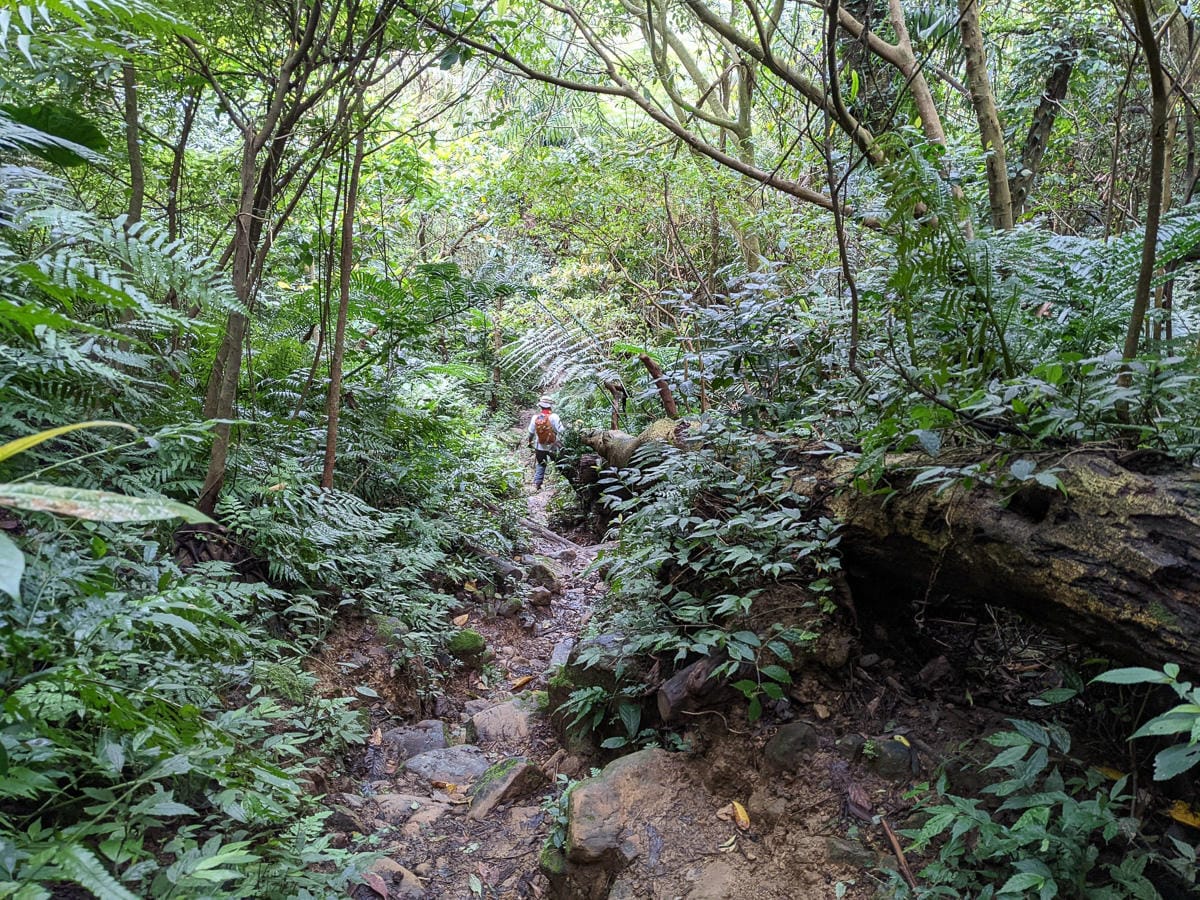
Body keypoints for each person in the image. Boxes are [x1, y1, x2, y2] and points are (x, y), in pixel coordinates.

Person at [526, 395, 564, 491]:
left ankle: (537, 484)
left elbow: (531, 433)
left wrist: (530, 442)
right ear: (550, 406)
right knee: (559, 463)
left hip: (540, 446)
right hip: (554, 446)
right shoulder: (554, 417)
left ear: (541, 406)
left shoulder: (535, 417)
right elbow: (562, 431)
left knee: (541, 464)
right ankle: (560, 485)